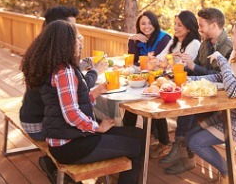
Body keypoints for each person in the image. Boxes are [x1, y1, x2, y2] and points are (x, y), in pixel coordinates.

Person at [21, 20, 144, 184]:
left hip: (67, 136)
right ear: (65, 43)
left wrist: (97, 91)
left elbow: (69, 103)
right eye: (76, 38)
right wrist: (97, 128)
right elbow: (71, 113)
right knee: (138, 146)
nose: (79, 42)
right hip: (71, 145)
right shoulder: (64, 71)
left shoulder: (52, 66)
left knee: (139, 135)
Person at [177, 19, 236, 184]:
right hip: (228, 115)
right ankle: (227, 171)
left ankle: (228, 172)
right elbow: (220, 77)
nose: (231, 37)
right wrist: (189, 80)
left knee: (195, 142)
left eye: (234, 34)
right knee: (189, 135)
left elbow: (234, 90)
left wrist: (221, 60)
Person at [19, 5, 107, 184]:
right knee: (92, 124)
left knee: (87, 118)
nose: (78, 35)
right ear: (59, 28)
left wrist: (82, 67)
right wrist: (95, 72)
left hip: (30, 116)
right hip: (40, 124)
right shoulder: (59, 66)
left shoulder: (42, 50)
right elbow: (75, 91)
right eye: (74, 30)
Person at [159, 7, 233, 174]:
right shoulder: (206, 43)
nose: (199, 29)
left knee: (187, 110)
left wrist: (193, 67)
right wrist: (184, 67)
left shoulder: (229, 47)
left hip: (220, 99)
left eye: (201, 26)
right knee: (184, 103)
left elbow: (221, 77)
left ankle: (182, 150)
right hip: (203, 94)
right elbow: (198, 68)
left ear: (214, 25)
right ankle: (184, 154)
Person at [123, 10, 172, 158]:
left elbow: (152, 61)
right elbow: (133, 61)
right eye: (143, 23)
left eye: (150, 23)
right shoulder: (138, 38)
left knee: (152, 107)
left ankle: (164, 142)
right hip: (143, 78)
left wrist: (141, 63)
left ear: (155, 24)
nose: (146, 26)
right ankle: (128, 140)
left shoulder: (164, 38)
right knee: (130, 104)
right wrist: (132, 39)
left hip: (160, 78)